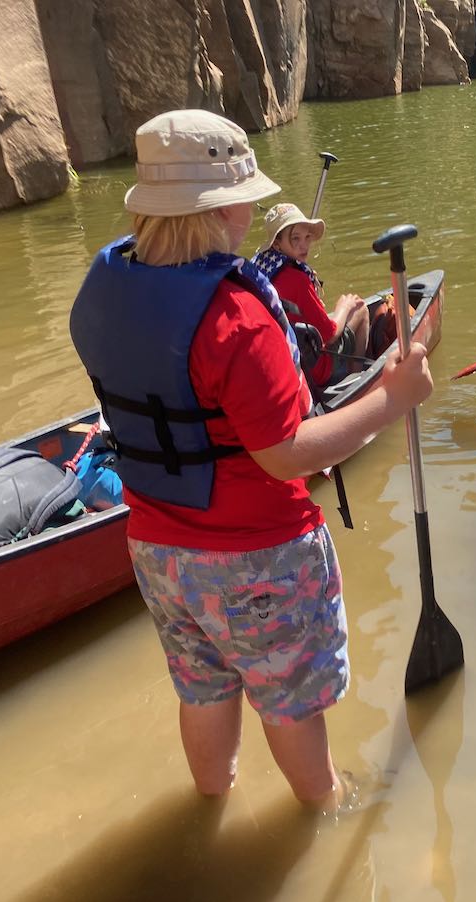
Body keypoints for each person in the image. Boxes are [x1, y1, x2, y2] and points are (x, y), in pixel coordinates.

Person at [68, 110, 433, 810]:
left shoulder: (103, 282)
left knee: (201, 687)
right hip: (257, 559)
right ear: (225, 205)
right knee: (290, 702)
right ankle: (327, 810)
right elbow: (286, 457)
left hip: (156, 548)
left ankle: (211, 806)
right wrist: (394, 396)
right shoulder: (235, 315)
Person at [253, 202, 393, 389]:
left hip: (289, 363)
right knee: (359, 307)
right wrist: (344, 307)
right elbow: (330, 334)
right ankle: (355, 382)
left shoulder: (260, 271)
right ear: (277, 244)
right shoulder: (298, 279)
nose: (304, 245)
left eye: (307, 237)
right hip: (315, 369)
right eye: (295, 239)